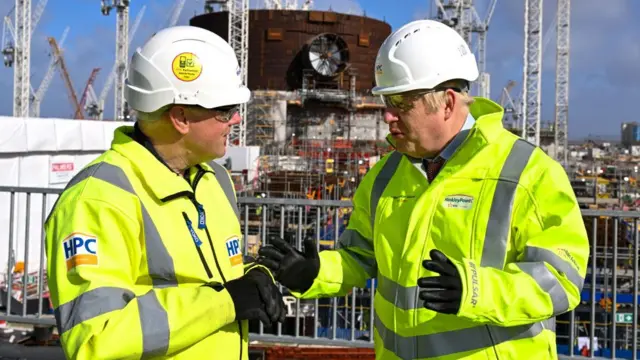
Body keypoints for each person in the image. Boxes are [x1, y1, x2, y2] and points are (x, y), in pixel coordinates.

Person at [257, 19, 589, 359]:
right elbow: (360, 256)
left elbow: (561, 279)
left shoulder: (527, 173)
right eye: (388, 103)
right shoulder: (385, 175)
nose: (388, 117)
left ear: (447, 103)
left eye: (401, 103)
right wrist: (315, 273)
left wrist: (477, 291)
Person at [44, 25, 286, 360]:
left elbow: (207, 276)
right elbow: (96, 339)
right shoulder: (99, 199)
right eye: (225, 111)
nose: (235, 121)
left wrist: (253, 276)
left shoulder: (214, 179)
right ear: (181, 117)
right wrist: (225, 303)